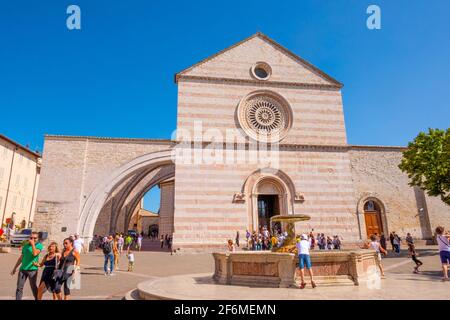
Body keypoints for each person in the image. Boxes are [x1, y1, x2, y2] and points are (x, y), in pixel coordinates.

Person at [11, 231, 43, 300]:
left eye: (35, 238)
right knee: (19, 287)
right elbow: (21, 258)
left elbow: (35, 254)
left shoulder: (39, 245)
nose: (33, 239)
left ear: (38, 239)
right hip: (23, 270)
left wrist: (32, 245)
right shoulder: (25, 246)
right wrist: (15, 268)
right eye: (31, 237)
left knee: (33, 287)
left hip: (32, 270)